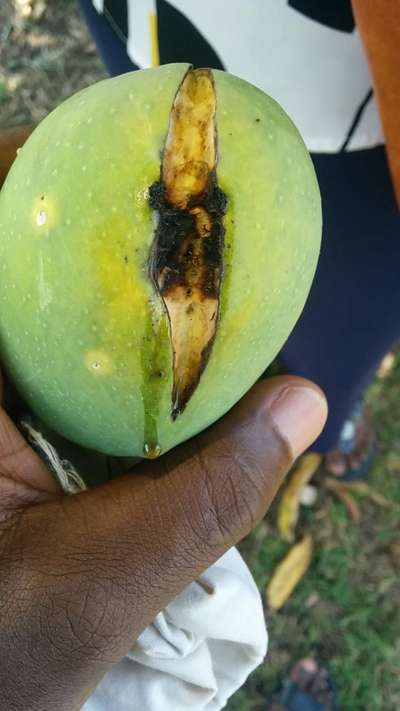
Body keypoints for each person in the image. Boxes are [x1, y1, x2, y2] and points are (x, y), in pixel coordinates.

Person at [78, 0, 400, 481]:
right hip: (164, 24)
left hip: (337, 86)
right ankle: (326, 418)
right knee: (345, 321)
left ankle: (327, 419)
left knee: (338, 326)